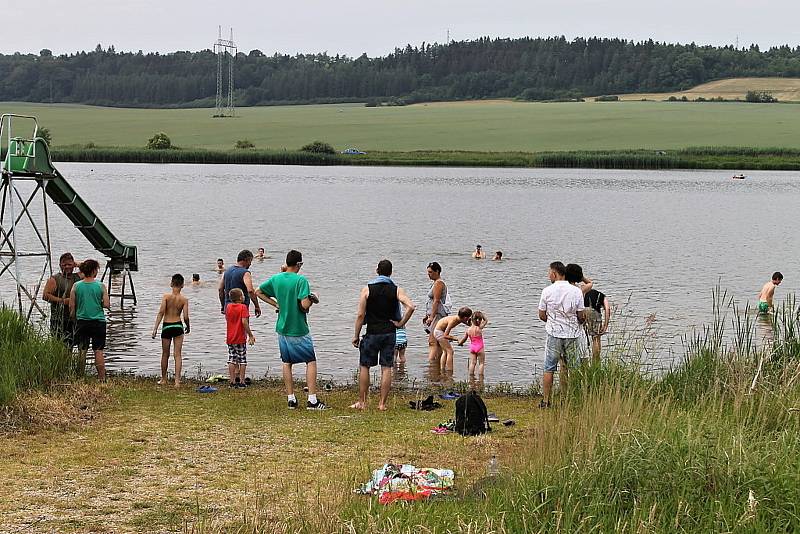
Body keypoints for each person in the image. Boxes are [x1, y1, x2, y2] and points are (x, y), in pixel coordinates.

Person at [256, 250, 328, 410]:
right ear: (299, 264)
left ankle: (291, 399)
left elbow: (258, 291)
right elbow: (303, 306)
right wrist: (312, 299)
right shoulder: (301, 280)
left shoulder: (276, 279)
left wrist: (275, 304)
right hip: (298, 328)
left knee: (287, 362)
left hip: (282, 327)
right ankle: (312, 399)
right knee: (310, 361)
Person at [351, 259, 416, 411]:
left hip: (372, 332)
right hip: (389, 332)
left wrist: (356, 335)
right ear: (391, 272)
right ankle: (382, 404)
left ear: (377, 271)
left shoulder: (367, 289)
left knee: (365, 366)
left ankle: (363, 402)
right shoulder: (396, 290)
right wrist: (400, 323)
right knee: (386, 367)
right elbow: (411, 307)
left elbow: (361, 315)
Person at [538, 261, 585, 408]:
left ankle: (546, 401)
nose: (548, 275)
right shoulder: (576, 291)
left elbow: (541, 314)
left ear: (554, 273)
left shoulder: (547, 291)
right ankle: (572, 399)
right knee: (573, 367)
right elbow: (581, 315)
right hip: (572, 334)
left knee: (549, 367)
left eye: (549, 273)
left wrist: (551, 320)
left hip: (554, 333)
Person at [69, 259, 109, 381]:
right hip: (98, 322)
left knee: (82, 350)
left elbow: (72, 306)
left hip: (82, 321)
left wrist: (73, 317)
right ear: (93, 271)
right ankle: (101, 378)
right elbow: (107, 304)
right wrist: (98, 303)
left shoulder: (76, 286)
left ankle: (80, 376)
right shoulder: (100, 285)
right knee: (98, 350)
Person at [151, 274, 190, 386]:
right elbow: (186, 317)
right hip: (178, 325)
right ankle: (177, 381)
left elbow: (161, 312)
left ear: (171, 284)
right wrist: (188, 326)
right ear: (182, 285)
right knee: (177, 354)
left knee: (165, 354)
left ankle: (163, 379)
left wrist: (155, 329)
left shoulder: (166, 297)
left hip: (167, 325)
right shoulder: (184, 300)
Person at [42, 252, 80, 346]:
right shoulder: (55, 279)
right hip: (58, 319)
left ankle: (68, 361)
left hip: (74, 319)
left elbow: (91, 267)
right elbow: (45, 296)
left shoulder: (77, 277)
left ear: (73, 265)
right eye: (64, 265)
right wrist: (63, 301)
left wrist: (77, 264)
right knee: (60, 345)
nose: (67, 267)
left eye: (69, 264)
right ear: (60, 265)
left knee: (70, 346)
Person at [225, 288, 255, 388]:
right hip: (240, 337)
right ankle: (242, 381)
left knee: (232, 359)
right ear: (240, 298)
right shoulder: (243, 307)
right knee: (242, 360)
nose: (244, 297)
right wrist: (250, 334)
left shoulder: (228, 306)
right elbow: (244, 322)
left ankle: (232, 381)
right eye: (242, 295)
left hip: (230, 337)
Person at [219, 250, 261, 317]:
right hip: (241, 307)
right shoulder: (245, 273)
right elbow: (250, 290)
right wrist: (257, 306)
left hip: (228, 307)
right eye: (250, 261)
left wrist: (223, 306)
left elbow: (220, 289)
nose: (250, 264)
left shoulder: (227, 271)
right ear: (246, 260)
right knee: (243, 327)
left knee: (231, 327)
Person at [433, 307, 473, 371]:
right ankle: (449, 371)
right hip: (439, 332)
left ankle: (442, 369)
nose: (469, 319)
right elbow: (446, 335)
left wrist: (476, 324)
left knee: (445, 352)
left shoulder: (460, 318)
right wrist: (457, 339)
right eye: (469, 317)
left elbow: (470, 325)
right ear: (465, 318)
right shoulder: (453, 321)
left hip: (438, 331)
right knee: (450, 351)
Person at [424, 262, 450, 363]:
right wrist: (428, 315)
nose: (428, 274)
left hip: (438, 316)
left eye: (430, 272)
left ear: (437, 271)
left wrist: (432, 317)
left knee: (432, 341)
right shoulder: (435, 283)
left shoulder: (439, 283)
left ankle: (431, 365)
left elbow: (436, 300)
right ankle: (437, 366)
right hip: (436, 315)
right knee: (438, 342)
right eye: (428, 272)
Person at [584, 288, 611, 364]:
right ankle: (596, 362)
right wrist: (605, 325)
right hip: (594, 313)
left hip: (583, 312)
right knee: (596, 338)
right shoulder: (602, 296)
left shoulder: (583, 293)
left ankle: (584, 362)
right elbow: (607, 309)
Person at [459, 311, 489, 378]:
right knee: (481, 363)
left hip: (472, 348)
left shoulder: (468, 330)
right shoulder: (479, 328)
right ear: (480, 320)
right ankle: (481, 378)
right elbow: (486, 320)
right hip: (480, 348)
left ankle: (471, 377)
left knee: (472, 363)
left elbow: (464, 339)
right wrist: (482, 315)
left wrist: (460, 343)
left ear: (471, 319)